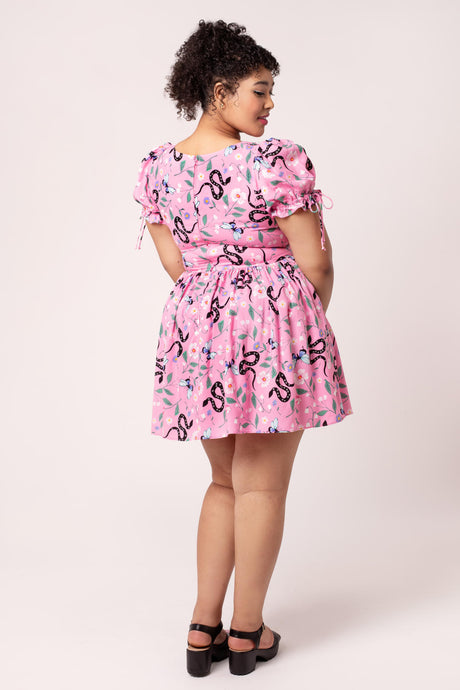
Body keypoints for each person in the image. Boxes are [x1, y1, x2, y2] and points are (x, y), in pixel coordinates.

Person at [132, 19, 353, 677]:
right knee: (262, 487)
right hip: (274, 330)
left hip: (199, 334)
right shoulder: (272, 160)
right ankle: (248, 631)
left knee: (224, 481)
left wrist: (219, 313)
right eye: (260, 89)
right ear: (219, 88)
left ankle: (202, 628)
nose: (270, 103)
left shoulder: (158, 168)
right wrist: (297, 329)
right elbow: (316, 262)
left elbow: (177, 265)